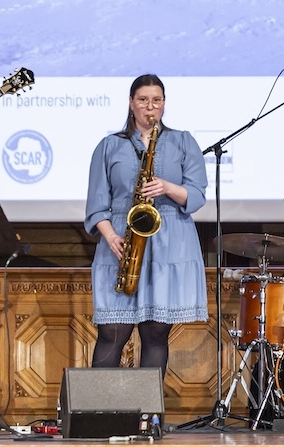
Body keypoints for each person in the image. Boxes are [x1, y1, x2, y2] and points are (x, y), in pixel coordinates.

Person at [85, 74, 208, 372]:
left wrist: (167, 187)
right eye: (143, 100)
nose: (150, 107)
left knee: (155, 334)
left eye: (156, 100)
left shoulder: (183, 141)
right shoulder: (109, 146)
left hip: (169, 242)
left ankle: (148, 405)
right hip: (120, 243)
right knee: (112, 333)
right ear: (131, 103)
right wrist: (111, 237)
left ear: (164, 103)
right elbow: (96, 204)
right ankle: (98, 403)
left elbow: (196, 194)